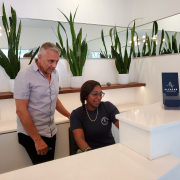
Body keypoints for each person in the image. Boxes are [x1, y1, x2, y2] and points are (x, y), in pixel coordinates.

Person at [14, 42, 70, 165]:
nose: (54, 65)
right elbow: (20, 111)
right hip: (33, 135)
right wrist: (37, 140)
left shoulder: (54, 73)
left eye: (56, 61)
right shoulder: (24, 76)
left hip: (51, 131)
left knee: (49, 167)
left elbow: (53, 99)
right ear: (39, 57)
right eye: (50, 61)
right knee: (41, 172)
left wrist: (70, 115)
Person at [70, 80, 119, 152]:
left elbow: (122, 126)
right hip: (89, 151)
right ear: (86, 95)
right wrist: (89, 152)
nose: (99, 97)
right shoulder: (76, 114)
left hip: (110, 149)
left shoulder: (108, 107)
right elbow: (79, 139)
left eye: (100, 94)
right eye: (95, 94)